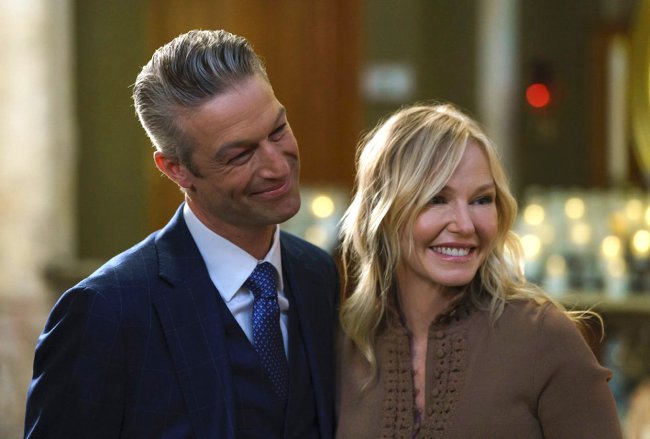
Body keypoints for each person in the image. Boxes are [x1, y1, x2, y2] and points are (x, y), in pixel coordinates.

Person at [24, 29, 339, 439]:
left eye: (278, 131)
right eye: (240, 154)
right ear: (176, 169)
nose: (277, 167)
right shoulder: (106, 311)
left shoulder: (317, 274)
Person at [336, 103, 622, 438]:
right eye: (437, 199)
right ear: (383, 212)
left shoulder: (544, 337)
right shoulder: (342, 343)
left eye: (481, 200)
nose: (465, 224)